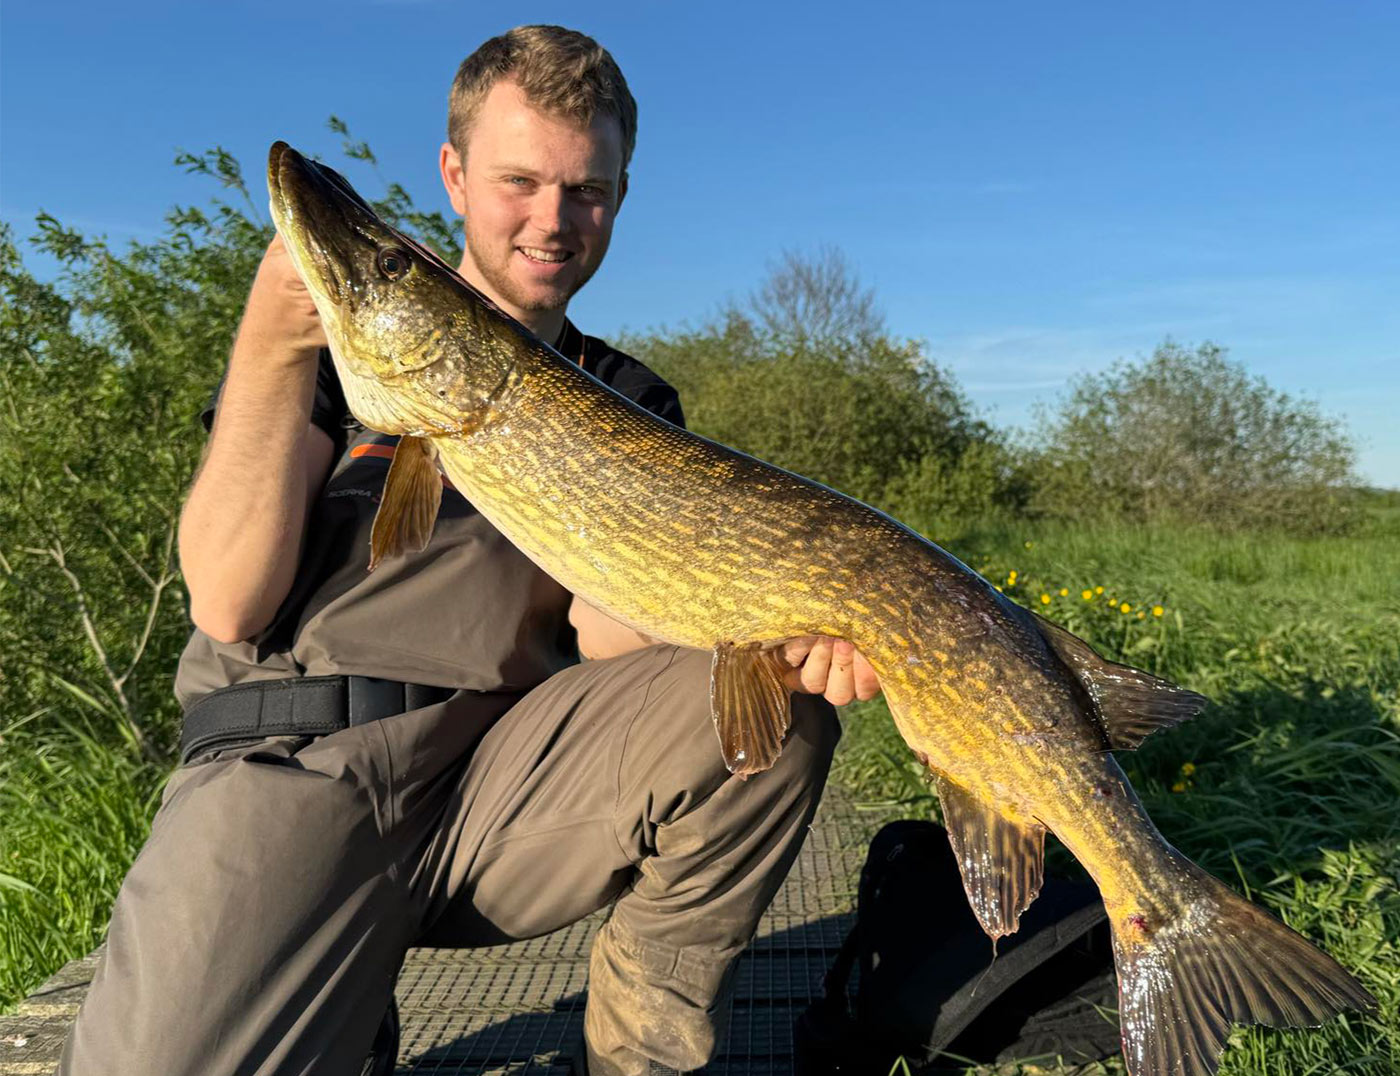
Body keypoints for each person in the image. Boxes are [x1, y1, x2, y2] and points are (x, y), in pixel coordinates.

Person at [60, 25, 878, 1076]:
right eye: (520, 180)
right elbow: (226, 596)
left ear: (620, 199)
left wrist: (774, 626)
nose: (554, 218)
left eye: (587, 189)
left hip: (494, 795)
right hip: (294, 771)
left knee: (765, 718)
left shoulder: (630, 400)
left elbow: (609, 634)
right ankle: (336, 994)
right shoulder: (327, 357)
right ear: (452, 175)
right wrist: (270, 338)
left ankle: (640, 1060)